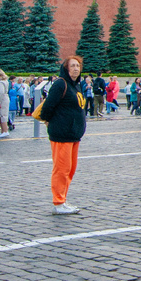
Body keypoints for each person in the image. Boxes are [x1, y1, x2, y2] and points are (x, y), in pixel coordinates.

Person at [42, 56, 87, 214]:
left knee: (70, 169)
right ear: (66, 68)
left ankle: (63, 199)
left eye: (78, 66)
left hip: (74, 134)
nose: (76, 69)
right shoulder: (60, 84)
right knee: (61, 169)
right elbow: (48, 106)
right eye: (72, 66)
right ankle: (58, 202)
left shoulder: (77, 85)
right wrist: (49, 121)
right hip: (62, 134)